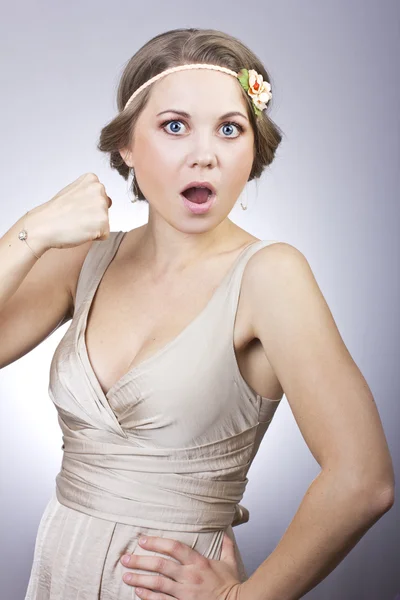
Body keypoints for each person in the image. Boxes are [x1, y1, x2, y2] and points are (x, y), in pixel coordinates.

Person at [0, 27, 394, 600]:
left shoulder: (270, 276)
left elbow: (364, 481)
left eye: (230, 129)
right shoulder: (87, 259)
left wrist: (242, 598)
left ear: (253, 148)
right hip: (60, 567)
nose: (204, 153)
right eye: (175, 126)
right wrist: (27, 234)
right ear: (125, 147)